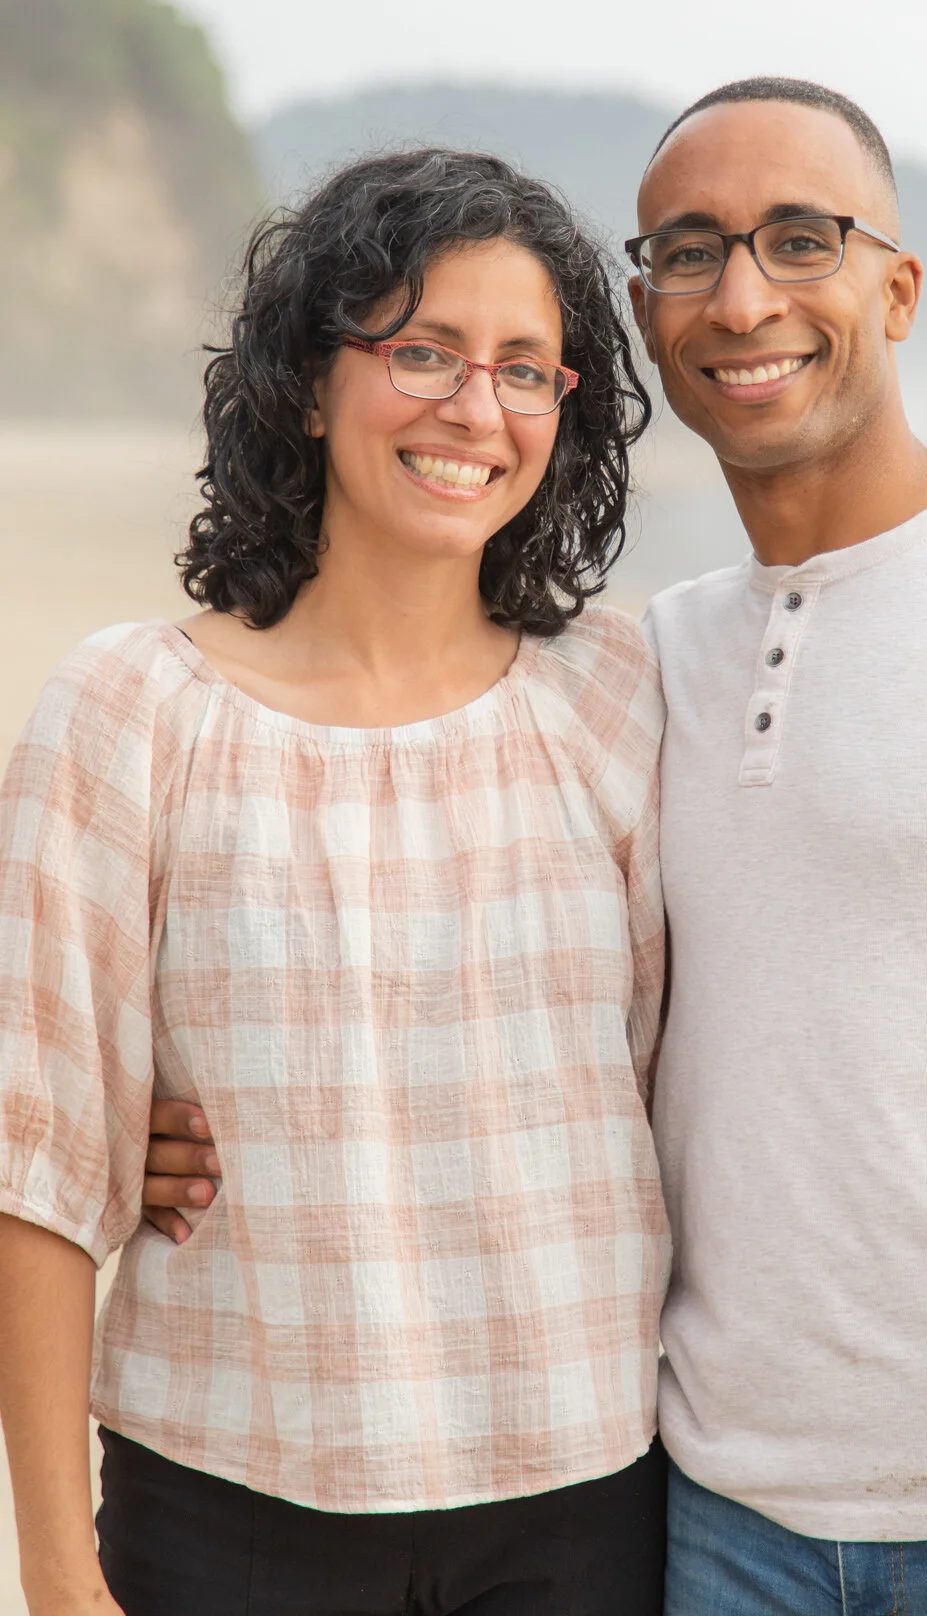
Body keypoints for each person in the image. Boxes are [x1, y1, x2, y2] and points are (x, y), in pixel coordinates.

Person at [142, 80, 927, 1616]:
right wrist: (169, 1114)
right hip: (711, 1517)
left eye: (803, 241)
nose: (743, 298)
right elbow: (497, 1004)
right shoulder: (646, 663)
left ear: (899, 287)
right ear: (649, 317)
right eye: (687, 251)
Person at [0, 149, 671, 1616]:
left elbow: (672, 1071)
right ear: (308, 381)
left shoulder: (618, 695)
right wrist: (57, 1573)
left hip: (581, 1489)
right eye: (422, 351)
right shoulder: (132, 710)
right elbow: (36, 1161)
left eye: (523, 368)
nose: (473, 409)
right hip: (231, 1492)